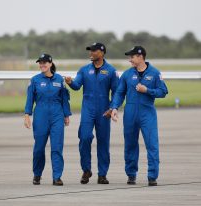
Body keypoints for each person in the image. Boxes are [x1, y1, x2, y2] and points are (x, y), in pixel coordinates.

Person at [111, 46, 168, 186]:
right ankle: (131, 175)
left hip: (147, 113)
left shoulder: (154, 73)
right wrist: (114, 107)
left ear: (141, 56)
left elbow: (163, 91)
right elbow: (119, 92)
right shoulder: (127, 74)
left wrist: (147, 90)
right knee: (130, 144)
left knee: (152, 144)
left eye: (132, 57)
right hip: (130, 113)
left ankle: (152, 176)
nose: (129, 59)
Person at [65, 43, 119, 184]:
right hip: (88, 110)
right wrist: (70, 82)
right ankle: (86, 170)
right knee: (84, 137)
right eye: (90, 51)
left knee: (103, 142)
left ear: (102, 53)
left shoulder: (111, 71)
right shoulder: (83, 70)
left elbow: (117, 92)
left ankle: (102, 174)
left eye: (94, 51)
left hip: (104, 111)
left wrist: (112, 107)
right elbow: (77, 86)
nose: (91, 53)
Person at [24, 53, 71, 186]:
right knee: (39, 148)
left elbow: (64, 99)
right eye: (40, 62)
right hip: (40, 116)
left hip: (57, 116)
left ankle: (57, 176)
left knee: (57, 147)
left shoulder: (59, 80)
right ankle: (37, 174)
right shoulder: (35, 80)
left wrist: (66, 115)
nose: (42, 65)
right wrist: (27, 115)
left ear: (50, 64)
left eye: (45, 62)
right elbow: (29, 100)